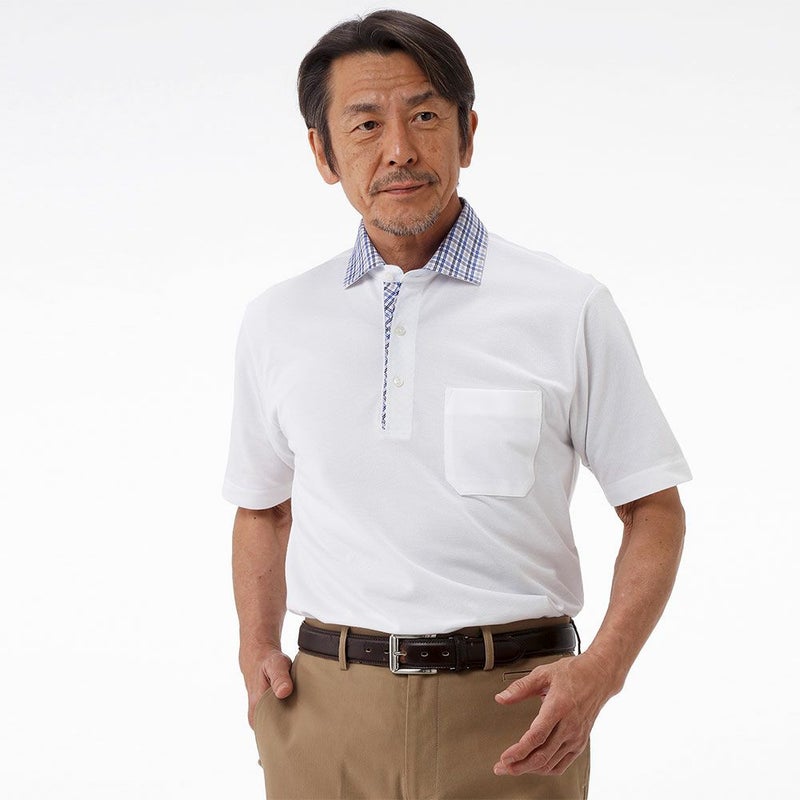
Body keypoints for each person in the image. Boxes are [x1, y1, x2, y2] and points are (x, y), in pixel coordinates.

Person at [224, 9, 691, 799]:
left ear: (468, 135)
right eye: (365, 124)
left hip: (514, 715)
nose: (399, 149)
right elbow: (262, 509)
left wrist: (602, 672)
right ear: (323, 154)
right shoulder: (278, 321)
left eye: (425, 116)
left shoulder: (565, 307)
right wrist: (254, 649)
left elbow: (654, 508)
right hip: (325, 718)